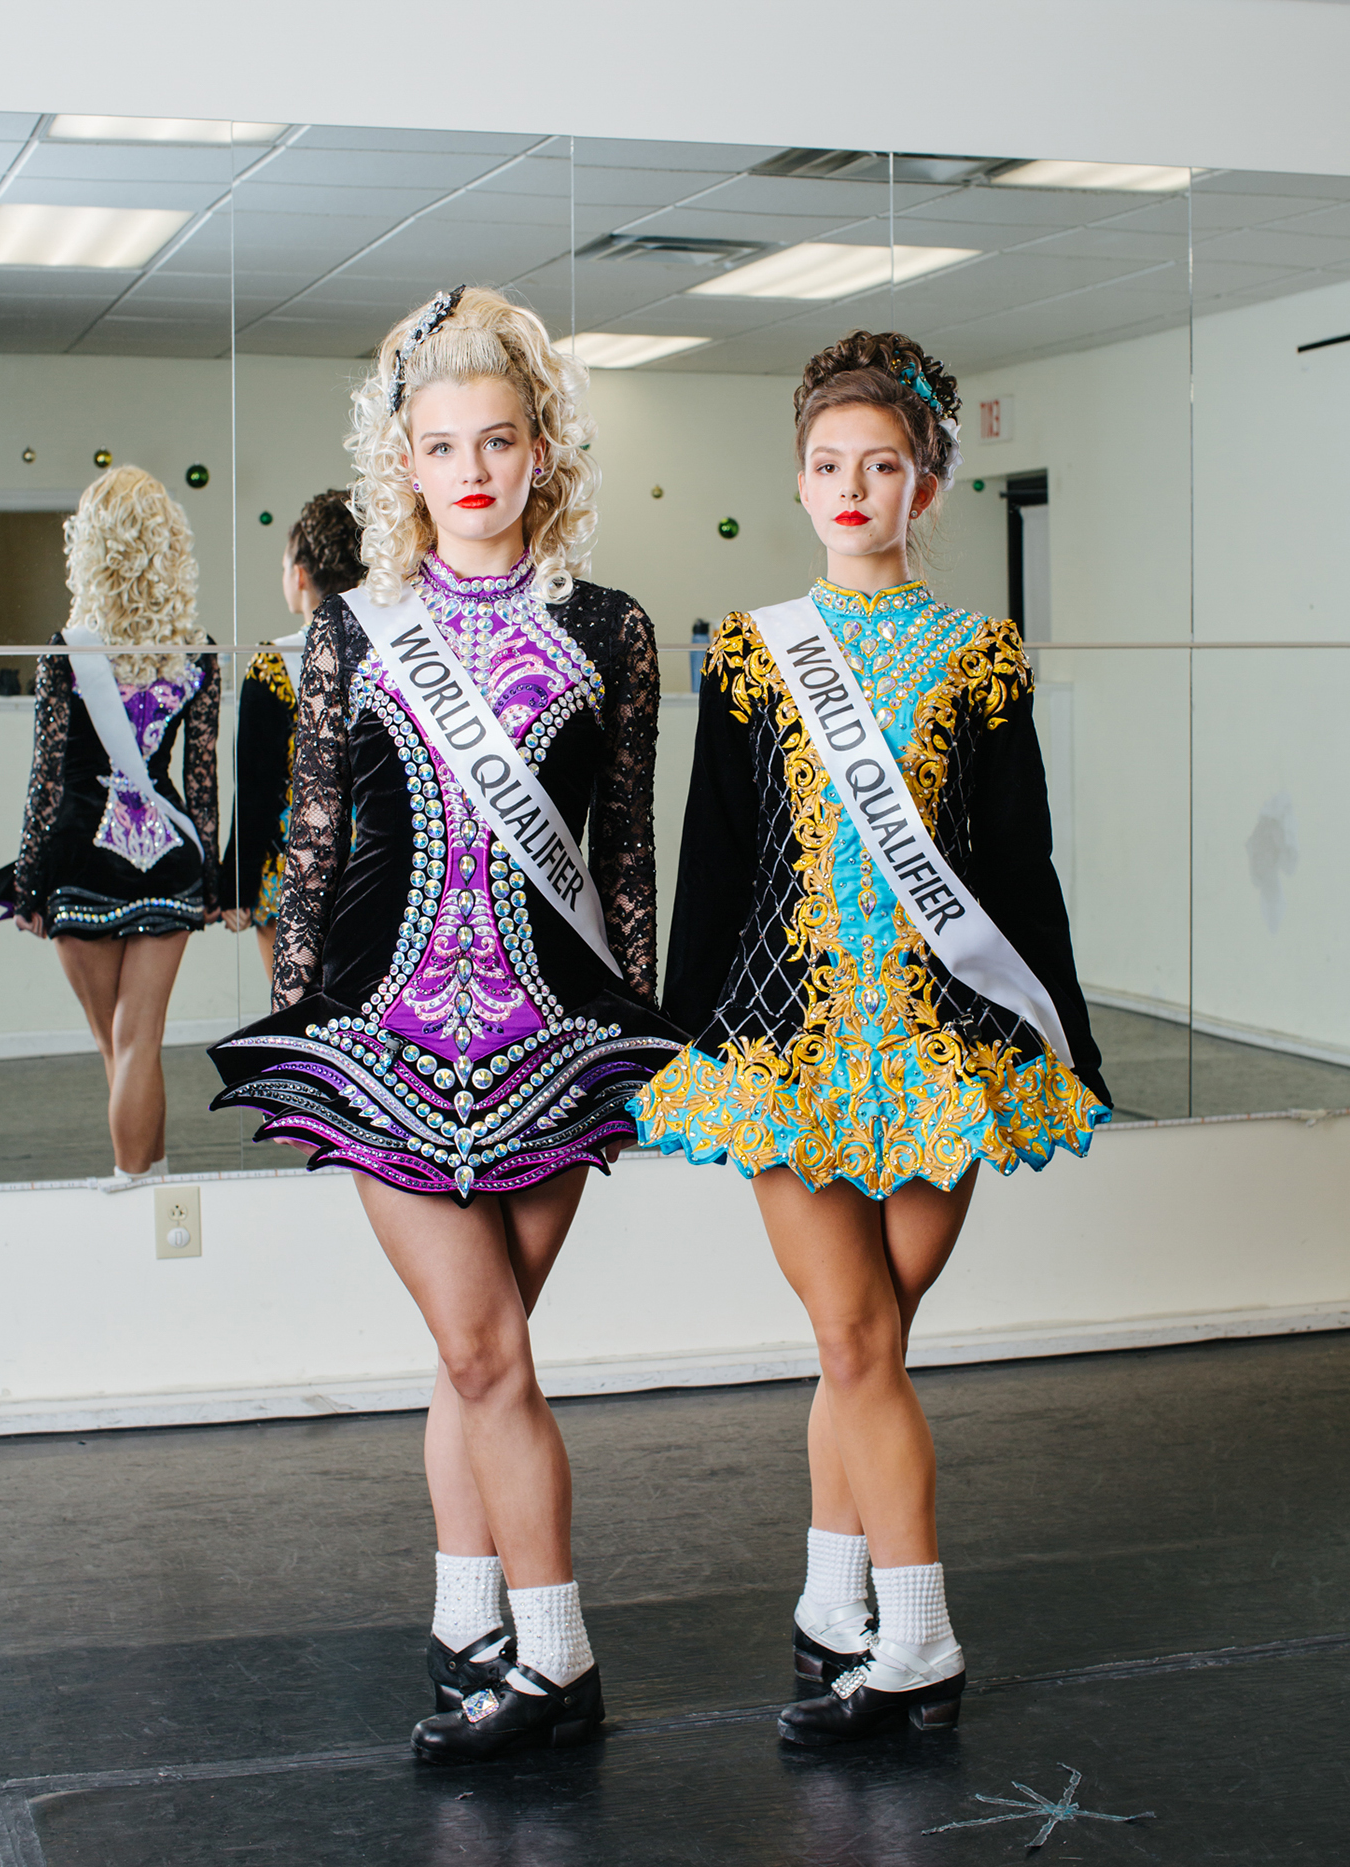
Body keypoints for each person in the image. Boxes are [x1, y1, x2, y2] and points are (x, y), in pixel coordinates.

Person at [210, 286, 679, 1762]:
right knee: (485, 1353)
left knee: (477, 1357)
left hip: (556, 1041)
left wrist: (641, 1029)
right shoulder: (356, 630)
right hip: (389, 1042)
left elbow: (623, 855)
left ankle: (470, 1622)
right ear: (401, 464)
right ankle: (556, 1655)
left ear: (546, 452)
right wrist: (304, 1029)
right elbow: (318, 833)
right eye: (439, 445)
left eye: (498, 439)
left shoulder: (615, 628)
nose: (470, 469)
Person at [632, 330, 1111, 1748]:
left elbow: (1017, 860)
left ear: (929, 484)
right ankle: (920, 1636)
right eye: (828, 465)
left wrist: (1061, 1034)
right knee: (855, 1333)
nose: (852, 488)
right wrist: (675, 1037)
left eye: (882, 465)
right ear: (797, 479)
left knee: (872, 1342)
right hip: (785, 1049)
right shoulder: (746, 653)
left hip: (937, 1048)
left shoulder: (982, 654)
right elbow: (711, 859)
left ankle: (829, 1593)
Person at [1, 466, 219, 1191]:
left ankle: (135, 1188)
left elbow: (47, 778)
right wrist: (211, 875)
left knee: (114, 1045)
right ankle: (153, 1183)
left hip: (81, 858)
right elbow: (201, 778)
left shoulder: (69, 647)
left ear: (90, 547)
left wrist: (26, 882)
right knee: (140, 1042)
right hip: (166, 860)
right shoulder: (196, 650)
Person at [220, 490, 363, 980]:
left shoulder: (273, 663)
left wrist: (234, 884)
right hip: (378, 866)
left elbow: (254, 788)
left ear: (299, 575)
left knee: (295, 1023)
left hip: (290, 872)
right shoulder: (398, 654)